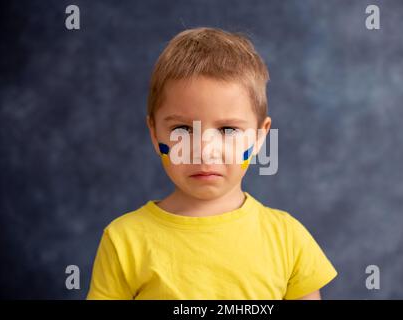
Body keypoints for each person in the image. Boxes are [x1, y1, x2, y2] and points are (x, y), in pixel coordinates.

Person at [87, 27, 337, 300]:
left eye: (228, 130)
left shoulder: (288, 239)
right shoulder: (124, 241)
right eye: (183, 129)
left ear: (259, 137)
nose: (205, 151)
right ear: (154, 132)